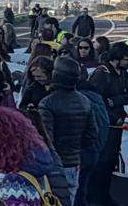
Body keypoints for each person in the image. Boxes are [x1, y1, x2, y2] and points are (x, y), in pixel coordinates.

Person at [85, 44, 128, 206]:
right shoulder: (102, 74)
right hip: (106, 124)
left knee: (110, 162)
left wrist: (116, 100)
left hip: (116, 123)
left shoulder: (121, 74)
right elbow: (96, 102)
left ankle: (105, 196)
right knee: (101, 162)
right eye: (126, 59)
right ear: (117, 58)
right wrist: (113, 113)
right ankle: (93, 199)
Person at [40, 56, 98, 197]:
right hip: (73, 162)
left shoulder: (47, 103)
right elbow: (92, 135)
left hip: (53, 166)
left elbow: (46, 140)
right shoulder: (85, 101)